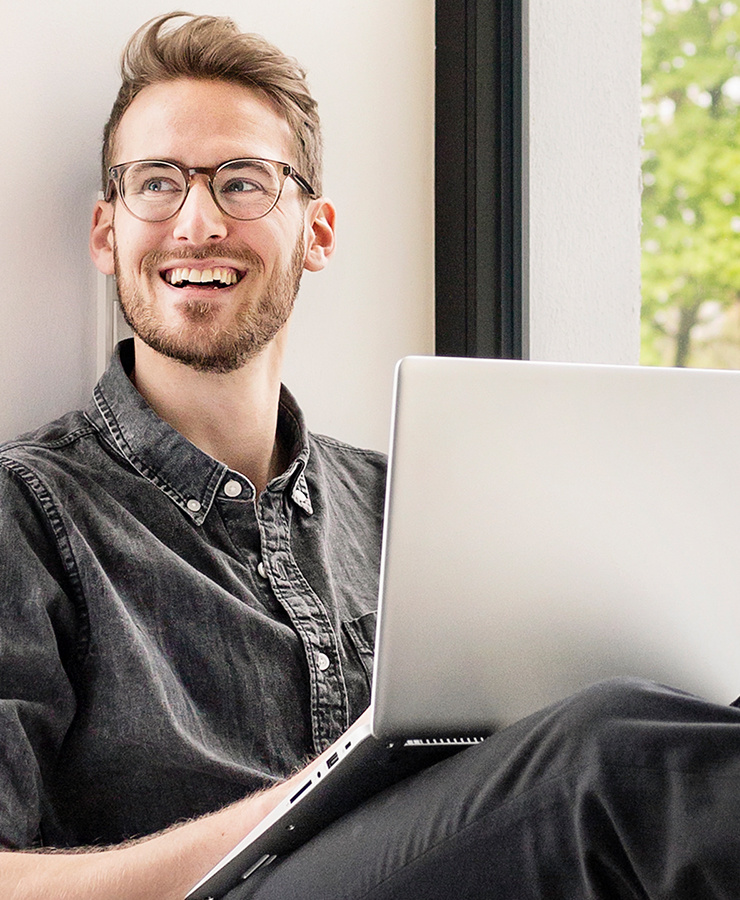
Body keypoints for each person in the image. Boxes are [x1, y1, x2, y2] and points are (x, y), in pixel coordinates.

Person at [2, 12, 740, 900]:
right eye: (156, 183)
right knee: (609, 762)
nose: (196, 222)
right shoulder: (29, 510)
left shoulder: (412, 507)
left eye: (243, 183)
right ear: (106, 231)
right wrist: (300, 810)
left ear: (317, 232)